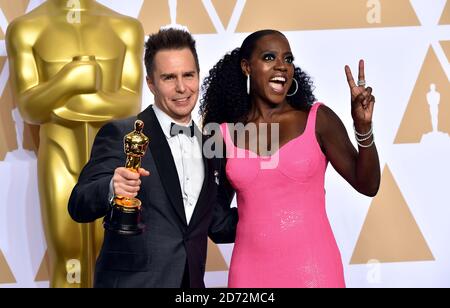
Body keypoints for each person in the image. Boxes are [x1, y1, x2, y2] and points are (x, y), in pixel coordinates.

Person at [200, 29, 381, 288]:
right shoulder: (223, 135)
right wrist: (261, 220)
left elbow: (368, 184)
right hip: (249, 272)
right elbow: (215, 221)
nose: (282, 67)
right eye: (269, 57)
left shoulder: (317, 120)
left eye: (288, 59)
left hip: (314, 270)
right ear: (246, 67)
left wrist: (363, 128)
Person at [68, 28, 237, 288]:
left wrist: (275, 211)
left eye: (188, 75)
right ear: (151, 83)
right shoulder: (122, 133)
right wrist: (112, 188)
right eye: (169, 77)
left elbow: (218, 224)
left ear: (198, 77)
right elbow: (78, 204)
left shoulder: (212, 146)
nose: (182, 87)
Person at [6, 0, 144, 287]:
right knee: (69, 258)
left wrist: (63, 102)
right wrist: (70, 80)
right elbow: (30, 108)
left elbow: (130, 103)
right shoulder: (25, 29)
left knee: (114, 257)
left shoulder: (126, 28)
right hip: (60, 156)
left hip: (113, 162)